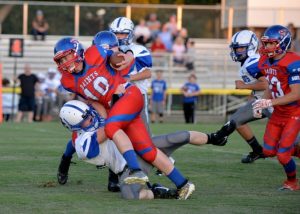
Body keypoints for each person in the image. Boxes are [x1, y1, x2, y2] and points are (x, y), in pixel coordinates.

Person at [53, 37, 195, 199]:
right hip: (117, 108)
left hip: (128, 94)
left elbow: (116, 56)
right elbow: (91, 99)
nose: (65, 62)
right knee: (147, 150)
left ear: (77, 51)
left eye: (67, 56)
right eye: (61, 59)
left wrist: (126, 55)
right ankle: (183, 185)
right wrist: (106, 116)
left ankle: (136, 170)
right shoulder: (68, 81)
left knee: (111, 128)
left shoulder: (94, 52)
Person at [57, 100, 227, 199]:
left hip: (140, 148)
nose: (91, 118)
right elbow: (104, 130)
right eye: (86, 119)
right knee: (131, 196)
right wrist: (64, 162)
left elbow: (100, 110)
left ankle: (214, 138)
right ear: (74, 127)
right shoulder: (82, 143)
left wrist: (93, 100)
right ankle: (161, 192)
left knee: (177, 137)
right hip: (126, 167)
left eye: (89, 114)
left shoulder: (93, 122)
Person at [209, 30, 271, 163]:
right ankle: (257, 151)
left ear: (251, 46)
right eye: (236, 48)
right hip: (263, 100)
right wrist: (252, 95)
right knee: (237, 120)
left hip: (273, 102)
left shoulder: (252, 63)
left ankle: (219, 136)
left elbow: (266, 84)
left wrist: (244, 86)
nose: (237, 51)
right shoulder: (250, 62)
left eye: (241, 48)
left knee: (290, 142)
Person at [252, 25, 300, 190]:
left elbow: (296, 94)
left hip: (295, 111)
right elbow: (271, 85)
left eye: (272, 43)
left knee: (283, 155)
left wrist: (270, 103)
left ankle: (292, 183)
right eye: (266, 43)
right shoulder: (265, 60)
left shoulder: (293, 62)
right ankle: (293, 150)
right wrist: (261, 102)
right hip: (279, 112)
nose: (268, 47)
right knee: (268, 151)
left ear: (283, 43)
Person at [110, 17, 152, 134]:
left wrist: (128, 78)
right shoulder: (109, 50)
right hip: (117, 96)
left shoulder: (139, 50)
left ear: (130, 34)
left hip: (138, 95)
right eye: (116, 33)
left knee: (143, 133)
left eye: (122, 34)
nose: (118, 37)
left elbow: (147, 73)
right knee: (115, 131)